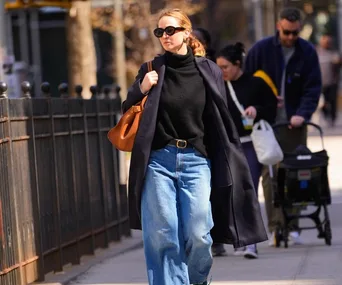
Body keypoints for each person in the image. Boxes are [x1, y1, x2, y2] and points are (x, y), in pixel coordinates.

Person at [123, 8, 267, 285]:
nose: (164, 36)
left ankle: (197, 280)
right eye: (159, 32)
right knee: (163, 234)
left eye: (170, 30)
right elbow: (127, 109)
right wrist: (140, 88)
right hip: (159, 160)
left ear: (186, 33)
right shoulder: (152, 70)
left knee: (199, 234)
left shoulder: (208, 70)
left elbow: (220, 115)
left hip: (197, 160)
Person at [244, 7, 322, 246]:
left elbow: (312, 87)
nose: (290, 37)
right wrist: (259, 104)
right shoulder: (261, 50)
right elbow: (248, 82)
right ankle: (277, 226)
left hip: (293, 124)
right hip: (267, 123)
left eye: (295, 33)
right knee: (270, 175)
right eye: (287, 32)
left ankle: (293, 224)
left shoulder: (306, 52)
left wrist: (302, 114)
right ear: (279, 26)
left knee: (295, 171)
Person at [212, 43, 277, 259]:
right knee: (230, 192)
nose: (222, 71)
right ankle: (238, 236)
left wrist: (257, 110)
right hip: (226, 145)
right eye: (219, 67)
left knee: (249, 190)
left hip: (250, 143)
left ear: (238, 64)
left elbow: (272, 109)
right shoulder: (217, 85)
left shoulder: (256, 83)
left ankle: (252, 242)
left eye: (226, 67)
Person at [316, 33, 341, 127]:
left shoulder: (334, 53)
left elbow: (338, 64)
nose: (327, 43)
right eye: (325, 41)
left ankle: (333, 119)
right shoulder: (317, 52)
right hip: (321, 83)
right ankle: (326, 116)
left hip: (332, 82)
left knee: (333, 101)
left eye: (328, 42)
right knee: (322, 103)